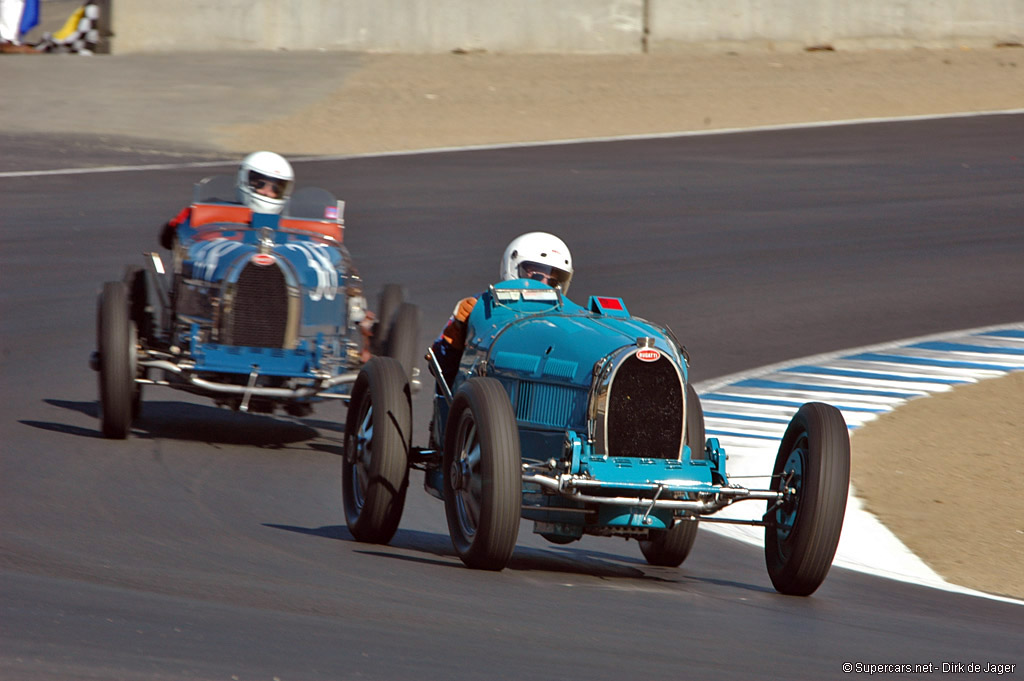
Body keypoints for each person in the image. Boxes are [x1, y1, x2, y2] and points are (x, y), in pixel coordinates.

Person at [430, 231, 573, 385]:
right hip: (480, 390)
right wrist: (458, 331)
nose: (543, 285)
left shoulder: (563, 314)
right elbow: (439, 366)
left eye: (552, 283)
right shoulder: (477, 305)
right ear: (513, 267)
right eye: (537, 277)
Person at [159, 150, 295, 249]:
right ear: (244, 180)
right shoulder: (210, 212)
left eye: (276, 189)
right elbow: (170, 237)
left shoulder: (291, 227)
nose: (267, 193)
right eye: (260, 185)